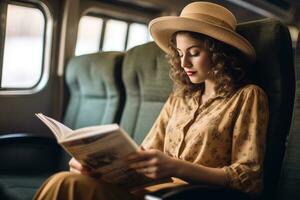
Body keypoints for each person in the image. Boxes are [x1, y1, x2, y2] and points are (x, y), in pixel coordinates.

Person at [34, 1, 269, 200]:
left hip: (185, 196)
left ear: (219, 53)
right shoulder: (180, 98)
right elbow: (145, 154)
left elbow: (248, 178)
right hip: (148, 191)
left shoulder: (247, 96)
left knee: (67, 186)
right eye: (179, 54)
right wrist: (100, 168)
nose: (184, 63)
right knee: (68, 179)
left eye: (194, 53)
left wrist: (176, 167)